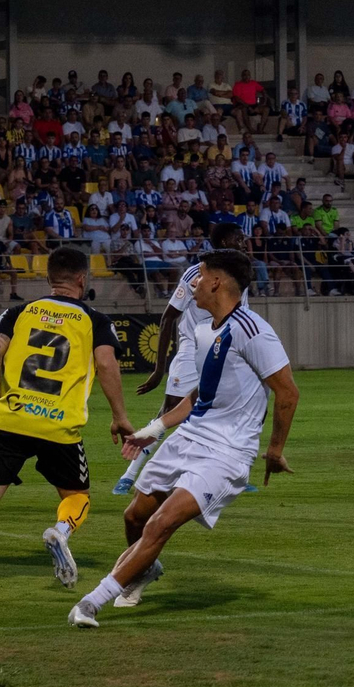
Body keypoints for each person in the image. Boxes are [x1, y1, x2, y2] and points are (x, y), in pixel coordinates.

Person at [69, 249, 299, 627]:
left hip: (227, 453)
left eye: (200, 275)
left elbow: (288, 392)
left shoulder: (252, 329)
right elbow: (199, 397)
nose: (192, 282)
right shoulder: (205, 330)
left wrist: (274, 451)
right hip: (191, 437)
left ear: (216, 282)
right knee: (135, 518)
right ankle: (143, 568)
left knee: (161, 524)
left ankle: (92, 602)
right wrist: (152, 431)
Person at [0, 246, 134, 599]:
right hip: (59, 427)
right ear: (82, 279)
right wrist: (120, 417)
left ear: (50, 278)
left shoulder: (17, 312)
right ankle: (61, 531)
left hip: (12, 418)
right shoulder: (95, 320)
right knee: (77, 496)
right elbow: (108, 364)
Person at [119, 223, 250, 496]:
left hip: (222, 349)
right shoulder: (197, 273)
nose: (245, 241)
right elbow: (168, 318)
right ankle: (130, 474)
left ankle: (233, 474)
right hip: (192, 350)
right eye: (240, 238)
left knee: (231, 411)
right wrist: (159, 369)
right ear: (226, 241)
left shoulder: (240, 276)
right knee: (169, 413)